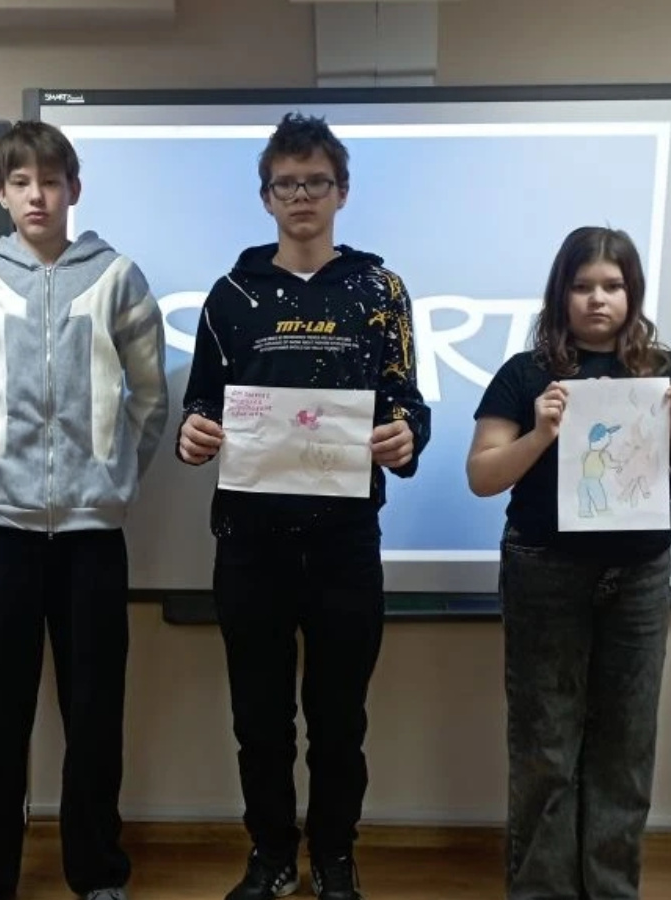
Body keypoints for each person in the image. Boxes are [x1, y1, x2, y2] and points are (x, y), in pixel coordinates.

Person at [175, 112, 431, 900]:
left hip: (344, 543)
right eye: (286, 184)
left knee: (339, 721)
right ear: (266, 197)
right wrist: (194, 434)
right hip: (249, 543)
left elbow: (407, 402)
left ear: (341, 191)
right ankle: (271, 854)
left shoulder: (381, 291)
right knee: (259, 720)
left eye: (316, 182)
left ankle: (336, 856)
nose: (301, 197)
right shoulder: (230, 295)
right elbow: (201, 404)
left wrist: (405, 436)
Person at [0, 119, 168, 900]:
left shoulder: (118, 279)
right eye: (21, 182)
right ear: (1, 193)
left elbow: (149, 397)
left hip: (90, 540)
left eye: (51, 180)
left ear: (74, 188)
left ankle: (97, 872)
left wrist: (114, 480)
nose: (37, 195)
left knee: (95, 716)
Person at [465, 226, 671, 900]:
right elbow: (483, 476)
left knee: (626, 744)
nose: (597, 299)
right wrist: (540, 433)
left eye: (613, 286)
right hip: (545, 570)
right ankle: (542, 890)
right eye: (582, 286)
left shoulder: (664, 371)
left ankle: (611, 888)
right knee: (545, 745)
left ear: (633, 293)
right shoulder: (526, 373)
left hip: (638, 575)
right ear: (561, 294)